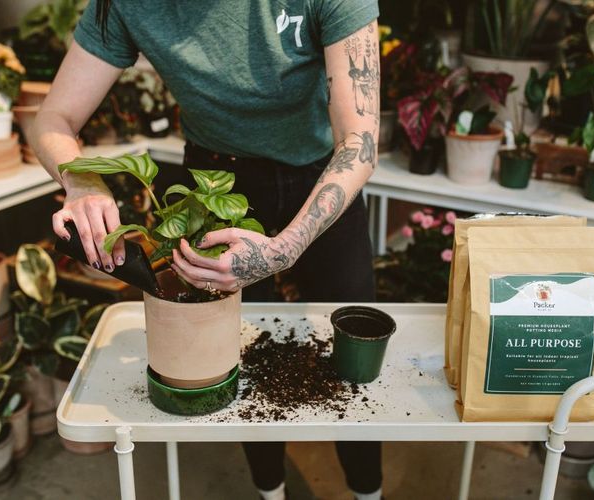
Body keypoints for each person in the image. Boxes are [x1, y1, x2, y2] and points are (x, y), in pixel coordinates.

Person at [32, 1, 382, 499]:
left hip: (323, 177)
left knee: (354, 351)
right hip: (217, 185)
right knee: (235, 355)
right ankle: (270, 489)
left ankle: (368, 489)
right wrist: (82, 180)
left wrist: (285, 247)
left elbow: (360, 139)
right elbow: (53, 117)